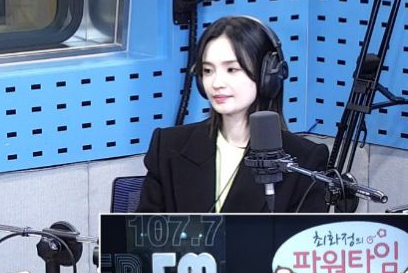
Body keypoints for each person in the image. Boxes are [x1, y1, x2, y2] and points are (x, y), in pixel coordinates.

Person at [136, 15, 329, 212]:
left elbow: (305, 232)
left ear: (267, 75)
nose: (217, 83)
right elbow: (145, 228)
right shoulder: (168, 146)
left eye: (231, 69)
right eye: (208, 70)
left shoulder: (304, 160)